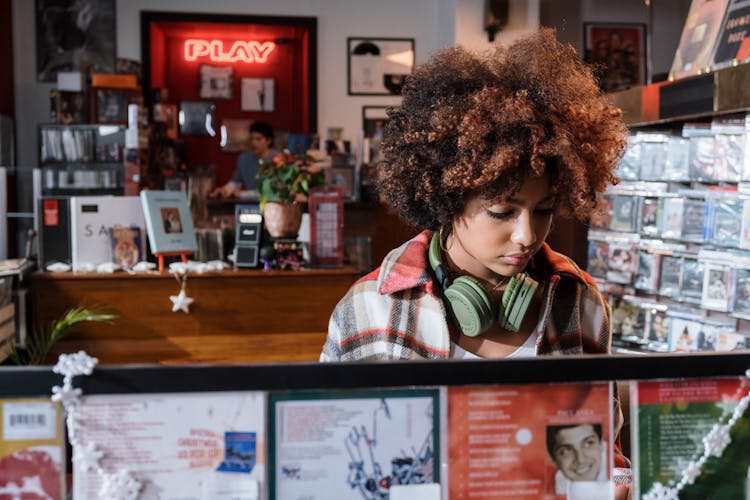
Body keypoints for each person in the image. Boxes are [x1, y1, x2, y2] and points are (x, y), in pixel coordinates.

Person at [320, 29, 631, 496]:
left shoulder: (578, 301)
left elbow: (605, 455)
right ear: (447, 198)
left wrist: (617, 483)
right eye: (502, 211)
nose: (527, 235)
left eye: (544, 210)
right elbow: (328, 463)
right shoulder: (369, 309)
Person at [210, 121, 276, 199]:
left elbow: (274, 191)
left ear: (268, 141)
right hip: (250, 206)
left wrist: (243, 194)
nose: (254, 142)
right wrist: (224, 190)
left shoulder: (278, 160)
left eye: (258, 139)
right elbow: (236, 182)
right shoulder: (244, 159)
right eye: (252, 139)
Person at [546, 423, 607, 495]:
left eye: (589, 443)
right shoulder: (554, 489)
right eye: (565, 451)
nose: (580, 460)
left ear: (602, 444)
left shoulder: (619, 482)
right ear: (553, 460)